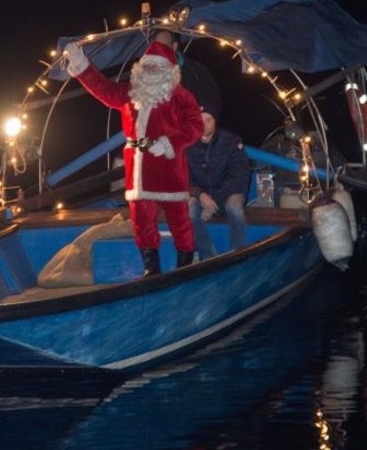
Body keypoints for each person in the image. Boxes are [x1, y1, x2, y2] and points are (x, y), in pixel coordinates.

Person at [63, 40, 204, 276]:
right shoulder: (130, 92)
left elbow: (195, 126)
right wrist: (81, 64)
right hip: (138, 172)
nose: (150, 71)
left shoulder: (180, 95)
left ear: (168, 70)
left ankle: (185, 267)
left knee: (179, 221)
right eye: (147, 66)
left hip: (169, 169)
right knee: (142, 223)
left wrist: (168, 143)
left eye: (156, 67)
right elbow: (102, 88)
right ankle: (151, 269)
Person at [186, 107, 251, 260]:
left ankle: (238, 255)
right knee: (189, 212)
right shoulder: (186, 143)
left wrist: (213, 200)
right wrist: (200, 196)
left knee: (235, 209)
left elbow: (240, 176)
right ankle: (208, 256)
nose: (204, 124)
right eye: (201, 120)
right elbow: (181, 177)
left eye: (209, 120)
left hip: (227, 191)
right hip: (200, 193)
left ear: (215, 122)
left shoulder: (231, 141)